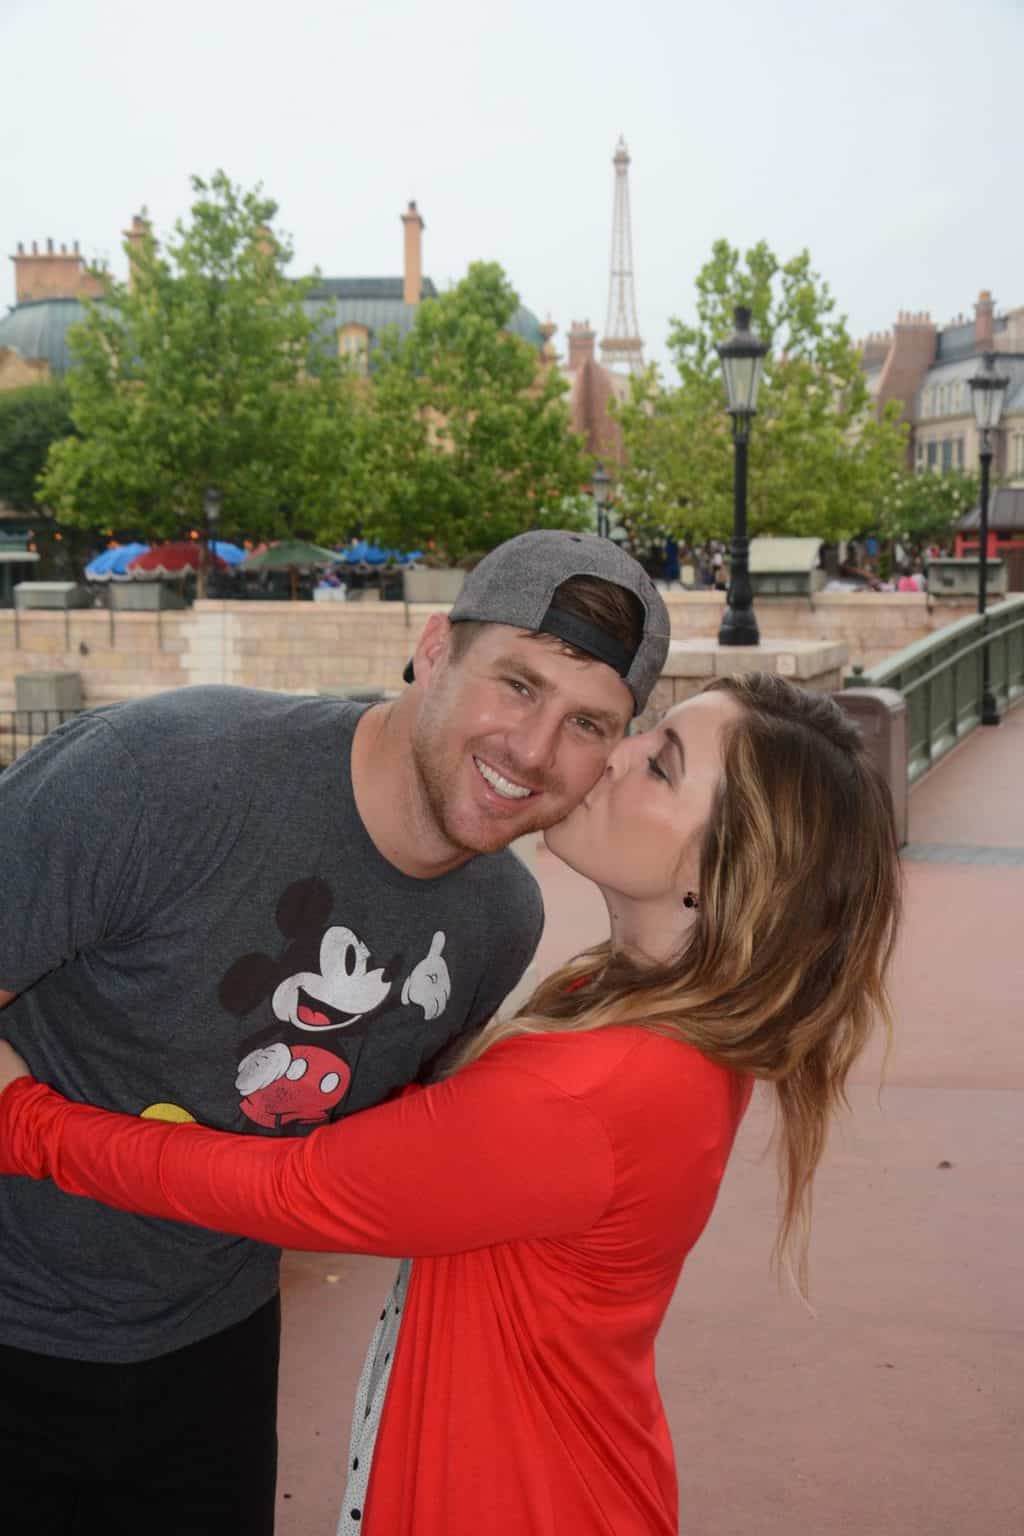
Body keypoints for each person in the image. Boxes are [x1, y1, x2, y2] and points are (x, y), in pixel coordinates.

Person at [0, 673, 903, 1536]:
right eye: (635, 732)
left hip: (515, 1498)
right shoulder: (671, 1025)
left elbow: (298, 1192)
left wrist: (24, 1119)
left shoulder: (592, 1086)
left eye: (660, 763)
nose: (613, 758)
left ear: (726, 873)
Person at [0, 529, 670, 1536]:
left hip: (215, 1351)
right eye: (517, 685)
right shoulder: (160, 778)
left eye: (585, 722)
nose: (532, 751)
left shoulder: (499, 923)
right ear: (436, 648)